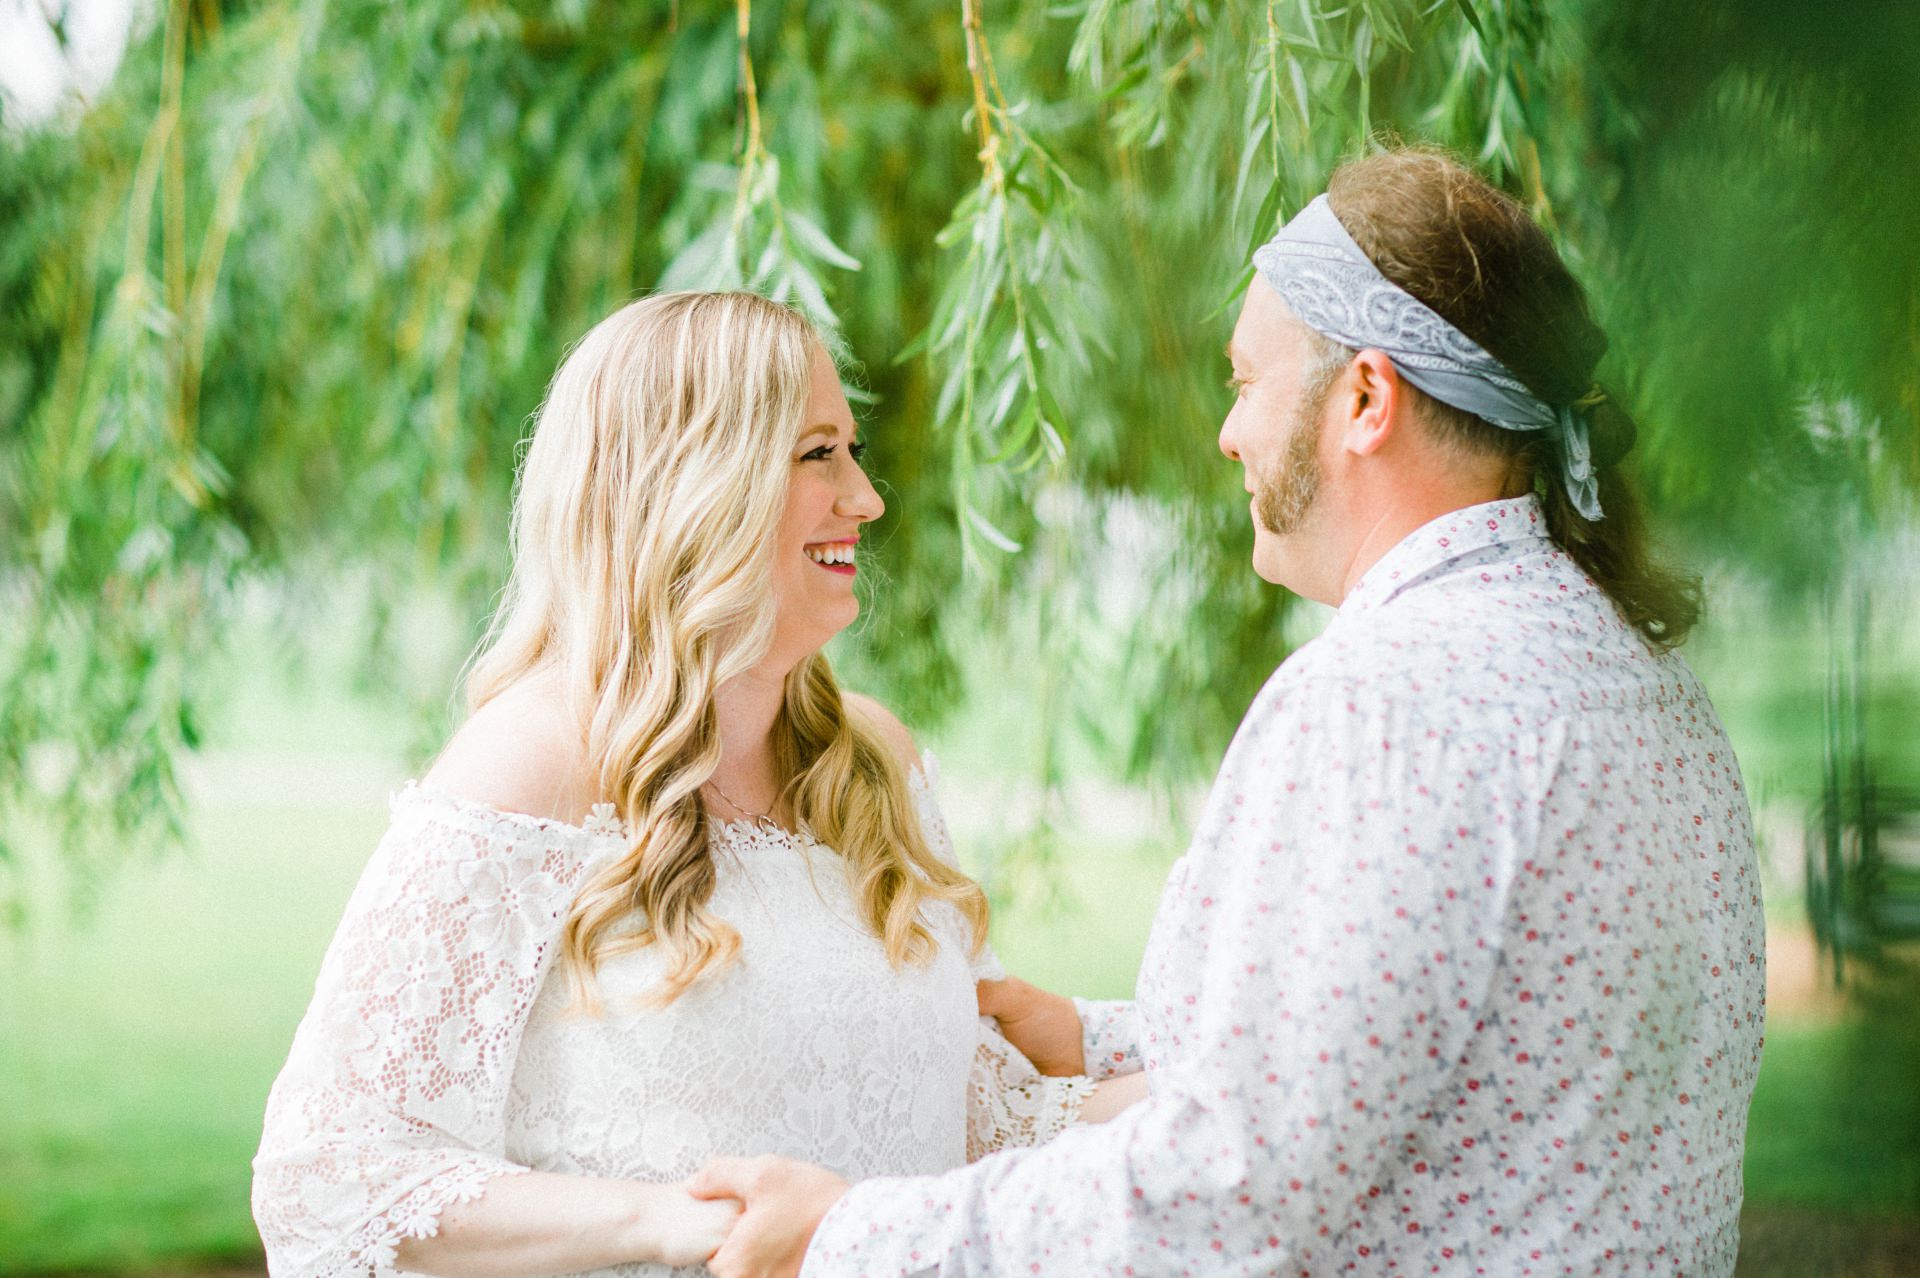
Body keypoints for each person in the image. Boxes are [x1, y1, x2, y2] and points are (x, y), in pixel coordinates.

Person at [693, 147, 1768, 1277]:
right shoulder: (1644, 685)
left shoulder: (1376, 704)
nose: (1227, 433)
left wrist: (852, 1233)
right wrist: (1103, 1038)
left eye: (1245, 381)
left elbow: (1228, 1193)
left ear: (1364, 400)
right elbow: (1460, 1025)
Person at [251, 291, 1145, 1278]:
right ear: (692, 484)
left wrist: (1242, 1096)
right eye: (818, 454)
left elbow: (979, 1115)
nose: (866, 497)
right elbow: (331, 1171)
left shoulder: (877, 763)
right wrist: (668, 1223)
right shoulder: (530, 764)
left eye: (851, 450)